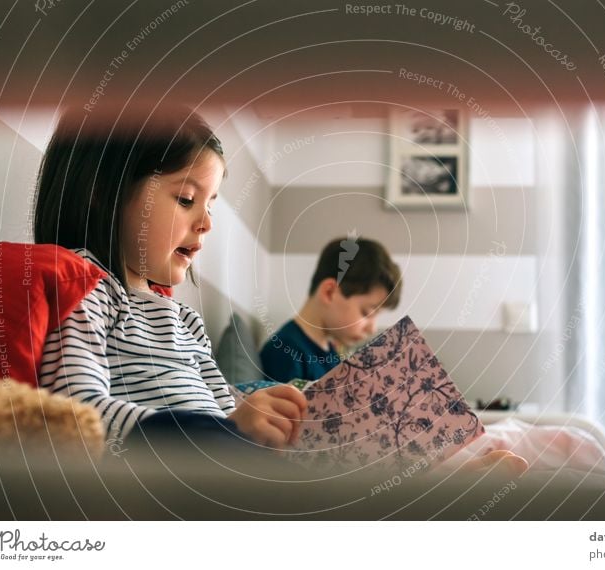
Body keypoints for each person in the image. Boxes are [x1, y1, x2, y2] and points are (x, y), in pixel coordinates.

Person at [34, 106, 306, 453]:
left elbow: (226, 415)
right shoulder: (85, 289)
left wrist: (255, 424)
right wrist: (223, 432)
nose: (206, 223)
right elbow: (77, 415)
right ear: (103, 191)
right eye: (186, 199)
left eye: (210, 206)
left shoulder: (186, 321)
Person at [260, 236, 402, 383]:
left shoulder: (331, 352)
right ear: (329, 292)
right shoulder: (285, 352)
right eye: (366, 313)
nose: (372, 329)